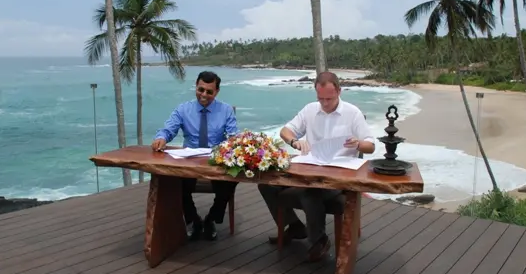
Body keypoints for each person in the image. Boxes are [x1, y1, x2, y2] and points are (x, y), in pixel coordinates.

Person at [258, 71, 375, 261]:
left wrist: (358, 144)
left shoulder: (353, 113)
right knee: (266, 185)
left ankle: (318, 240)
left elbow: (370, 145)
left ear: (339, 91)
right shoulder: (310, 110)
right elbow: (285, 131)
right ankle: (294, 227)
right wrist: (295, 142)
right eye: (321, 98)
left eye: (329, 98)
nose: (325, 103)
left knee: (309, 192)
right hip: (310, 169)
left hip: (339, 178)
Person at [151, 71, 238, 241]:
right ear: (196, 86)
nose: (204, 95)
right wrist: (161, 138)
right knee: (176, 183)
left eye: (209, 92)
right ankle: (193, 220)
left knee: (230, 182)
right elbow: (168, 129)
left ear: (217, 92)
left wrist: (234, 142)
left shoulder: (226, 110)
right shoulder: (183, 109)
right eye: (200, 89)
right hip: (189, 161)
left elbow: (233, 135)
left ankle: (211, 219)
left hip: (216, 161)